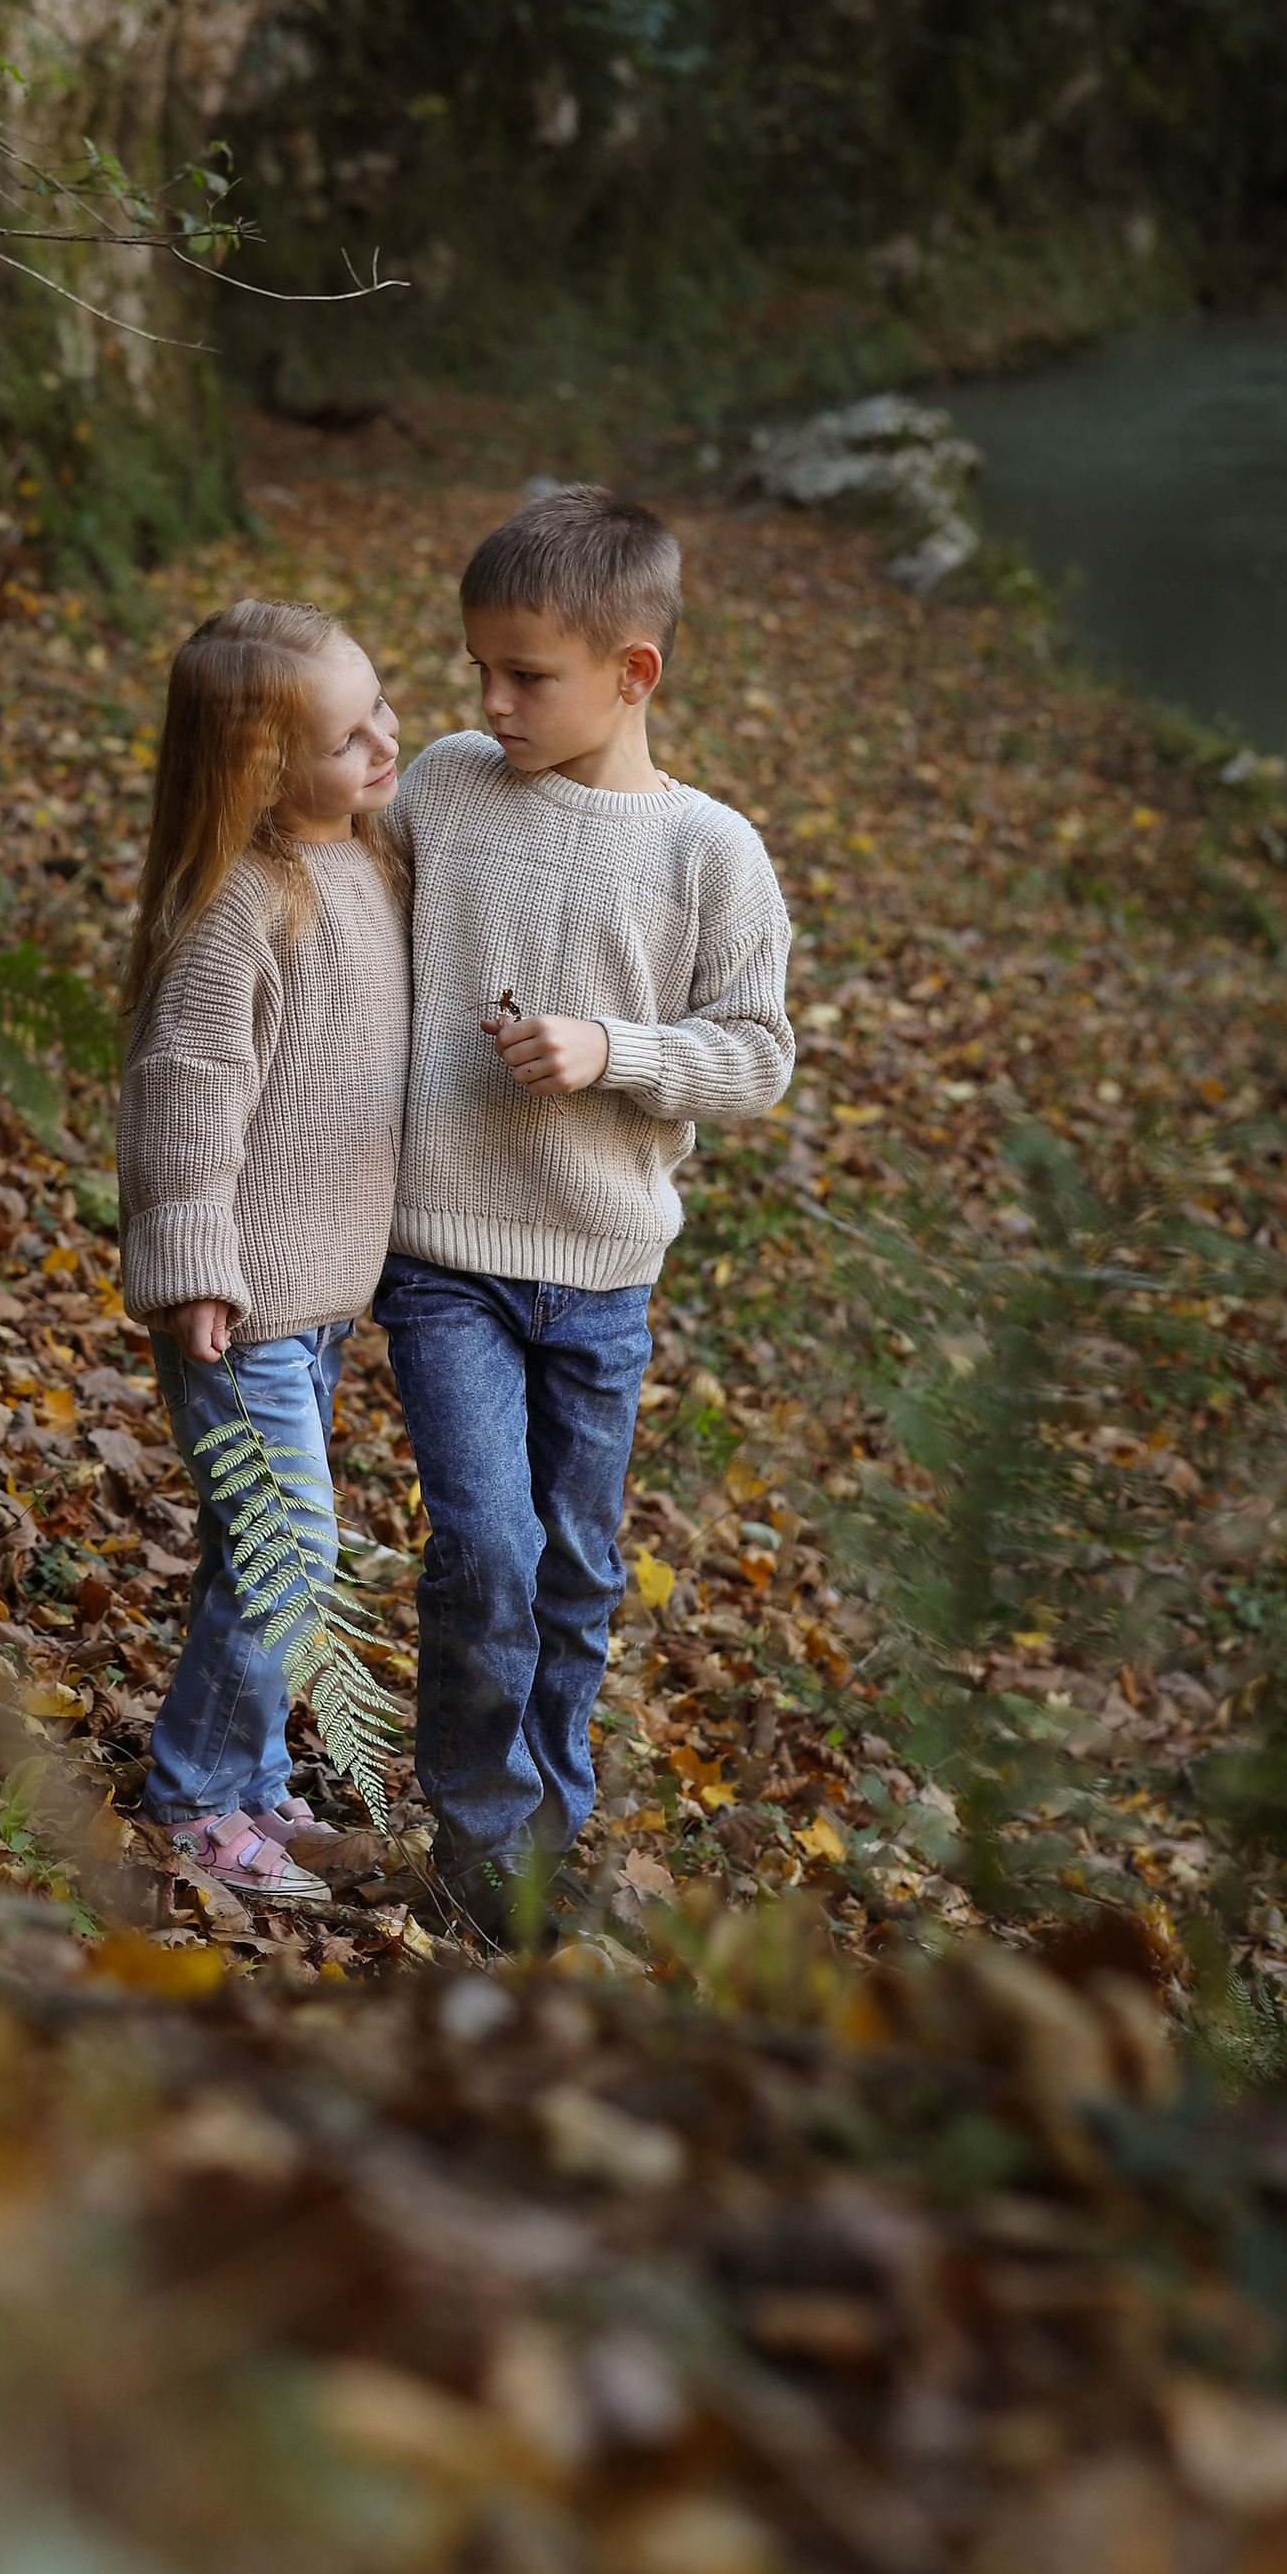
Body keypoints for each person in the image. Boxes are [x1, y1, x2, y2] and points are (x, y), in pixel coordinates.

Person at [374, 485, 794, 1945]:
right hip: (444, 1255)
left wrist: (616, 1052)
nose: (491, 700)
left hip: (604, 1272)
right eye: (477, 666)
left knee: (575, 1563)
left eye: (527, 675)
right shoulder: (440, 782)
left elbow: (758, 1054)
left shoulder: (710, 855)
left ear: (635, 674)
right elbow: (333, 892)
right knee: (483, 1545)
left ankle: (550, 1826)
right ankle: (484, 1845)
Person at [116, 599, 410, 1908]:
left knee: (263, 1550)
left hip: (322, 1304)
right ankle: (193, 1795)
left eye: (382, 709)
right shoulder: (237, 908)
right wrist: (191, 1263)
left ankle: (242, 1779)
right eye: (353, 735)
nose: (387, 741)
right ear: (262, 772)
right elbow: (186, 1094)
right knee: (292, 1551)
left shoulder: (364, 858)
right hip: (239, 1307)